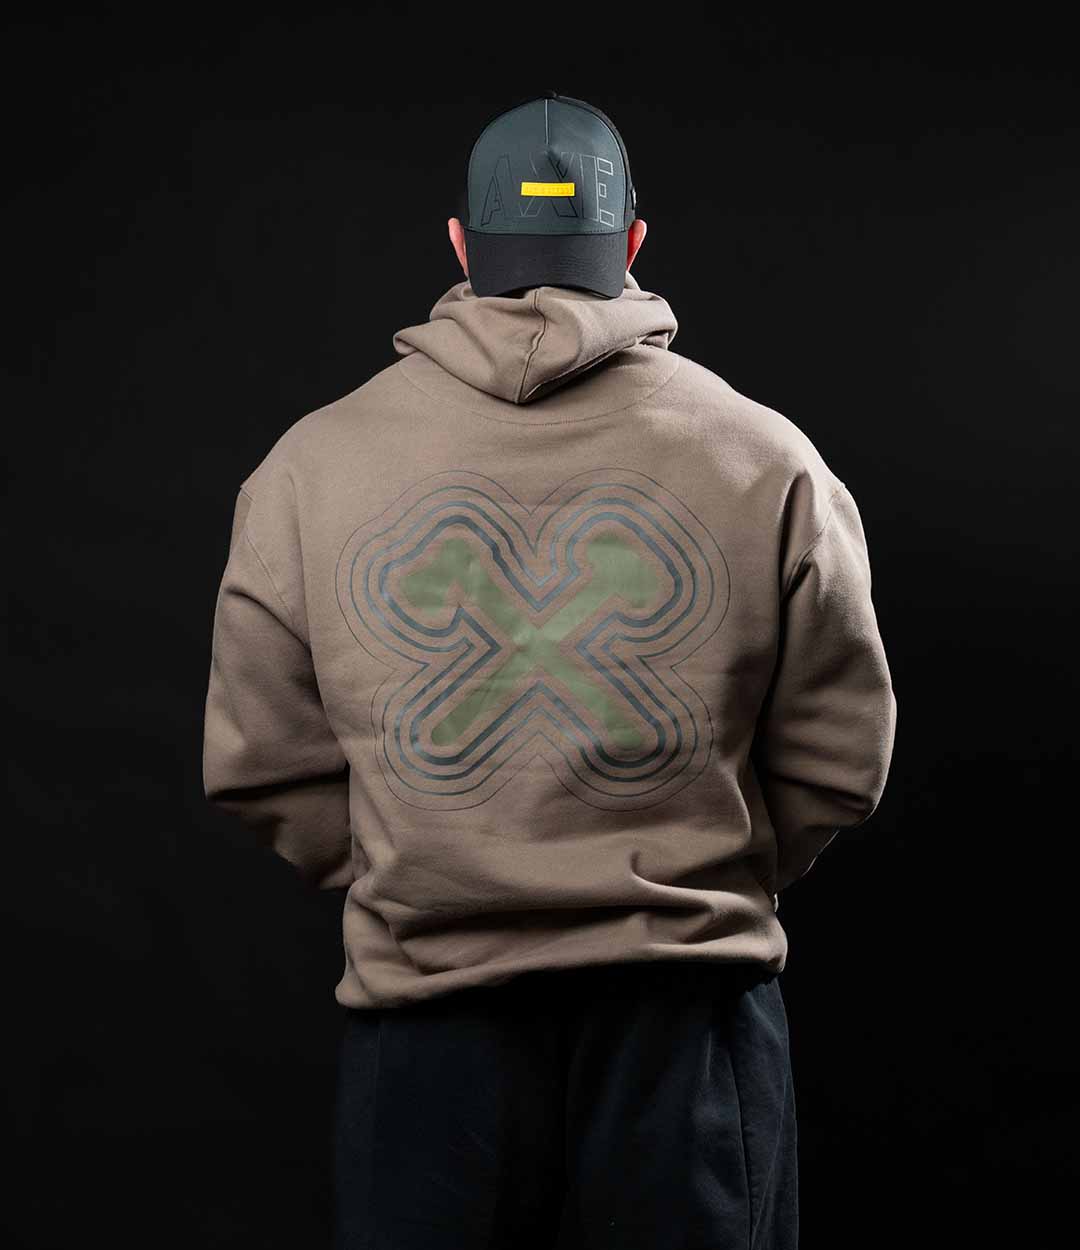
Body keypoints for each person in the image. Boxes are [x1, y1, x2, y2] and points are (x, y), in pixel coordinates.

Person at [202, 90, 898, 1249]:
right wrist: (701, 865)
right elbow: (840, 756)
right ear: (632, 242)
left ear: (460, 245)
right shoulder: (767, 458)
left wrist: (430, 862)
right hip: (686, 1023)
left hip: (426, 1032)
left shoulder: (307, 468)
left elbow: (262, 761)